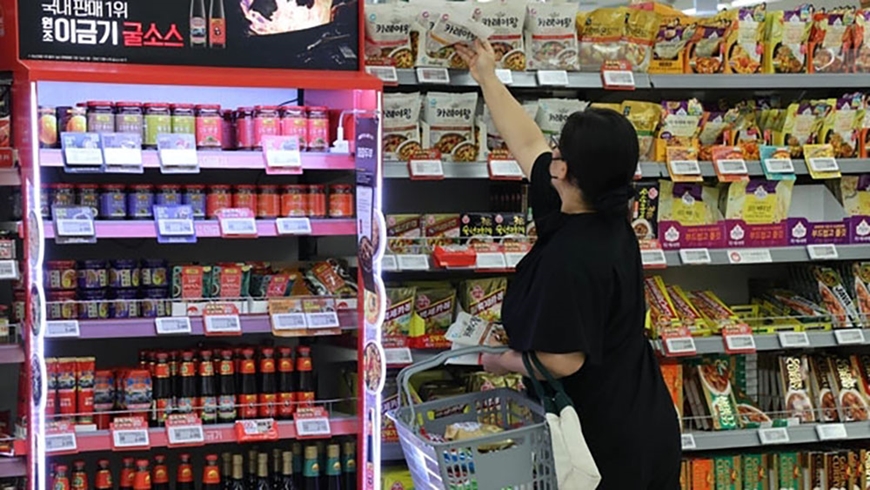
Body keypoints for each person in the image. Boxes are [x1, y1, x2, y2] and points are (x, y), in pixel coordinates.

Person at [455, 39, 681, 489]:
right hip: (639, 417)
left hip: (602, 445)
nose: (550, 156)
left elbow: (561, 361)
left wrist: (499, 360)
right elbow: (527, 142)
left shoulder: (573, 256)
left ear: (564, 171)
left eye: (558, 152)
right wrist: (487, 76)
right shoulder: (597, 210)